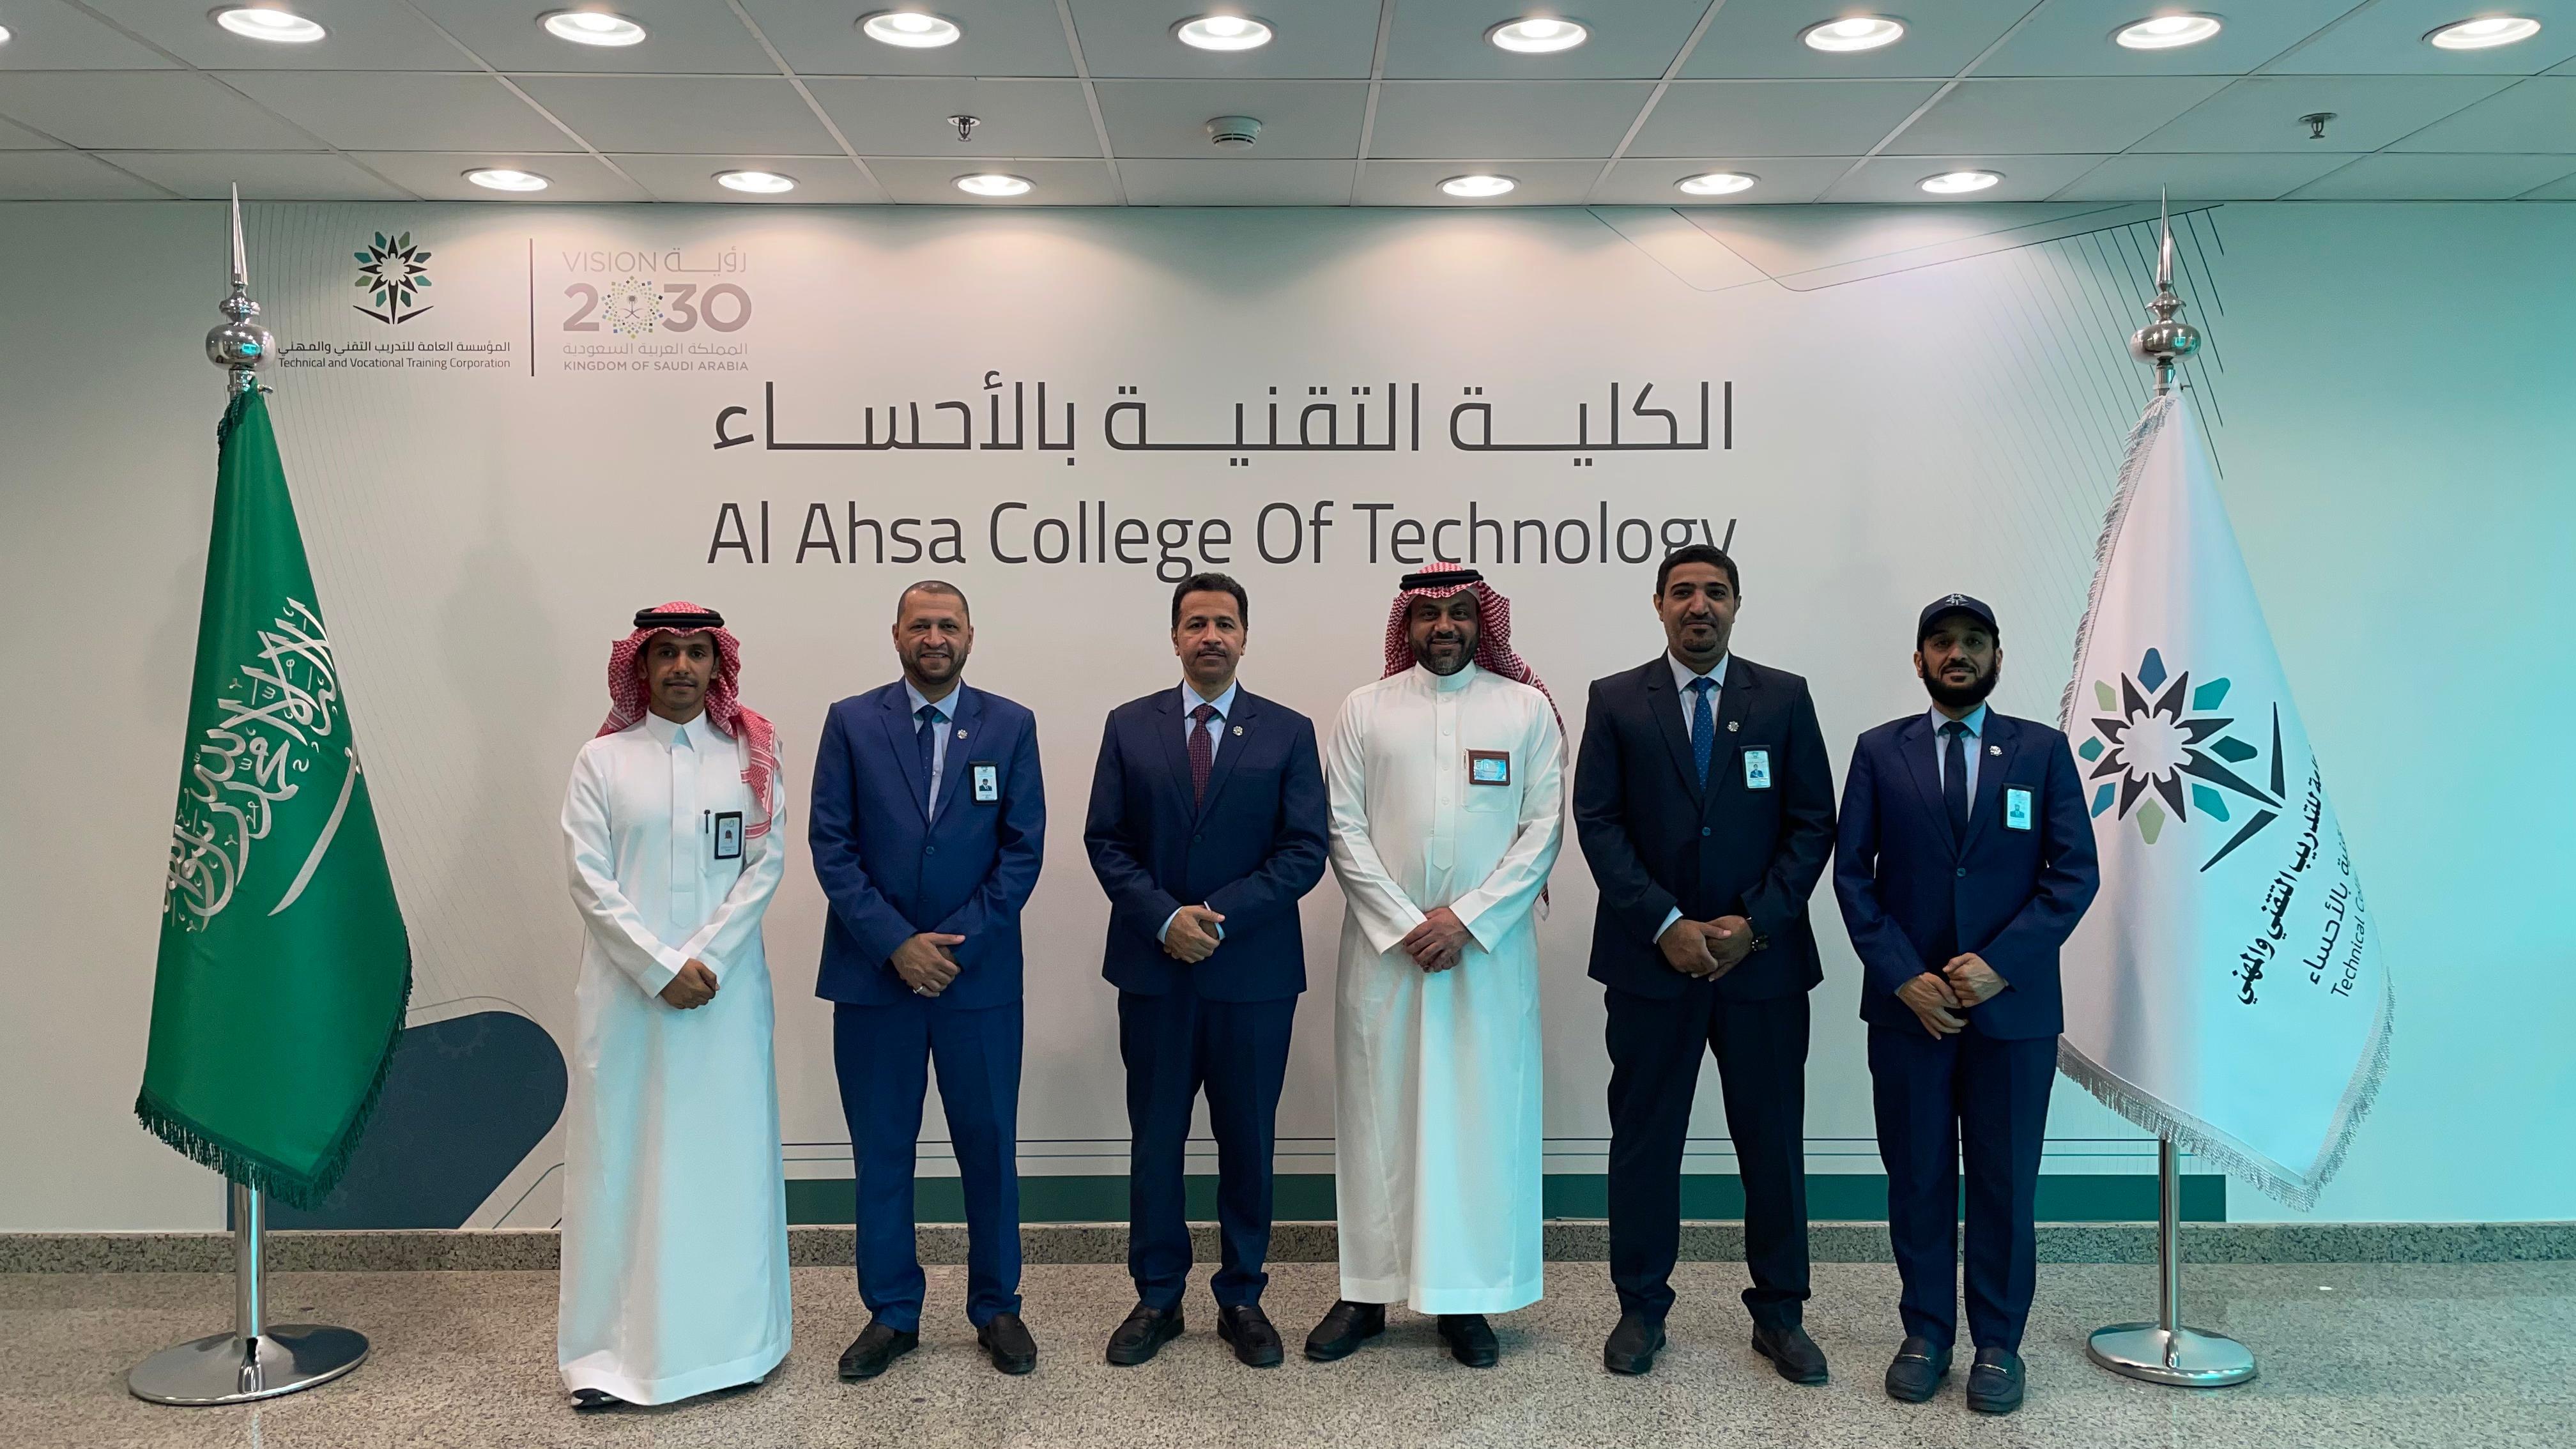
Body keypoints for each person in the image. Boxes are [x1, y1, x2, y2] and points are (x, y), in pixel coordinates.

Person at [1571, 544, 1836, 1381]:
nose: (1699, 605)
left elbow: (1812, 825)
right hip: (1650, 967)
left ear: (1736, 604)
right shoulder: (1616, 700)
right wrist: (1665, 924)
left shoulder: (1783, 698)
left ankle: (1781, 1313)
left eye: (1715, 592)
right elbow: (1598, 823)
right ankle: (1641, 1308)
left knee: (1772, 1144)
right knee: (1645, 1142)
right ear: (1658, 605)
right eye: (1682, 592)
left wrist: (1754, 925)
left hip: (1764, 968)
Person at [1832, 594, 2098, 1415]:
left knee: (2004, 1183)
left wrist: (2000, 967)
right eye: (1942, 642)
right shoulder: (1880, 751)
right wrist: (1904, 977)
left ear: (1997, 658)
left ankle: (1998, 1345)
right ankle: (1925, 1334)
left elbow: (2073, 874)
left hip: (2013, 1016)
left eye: (1974, 642)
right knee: (1916, 1178)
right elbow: (1853, 876)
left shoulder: (2042, 751)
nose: (1958, 654)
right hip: (1908, 1013)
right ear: (1919, 661)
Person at [1307, 561, 1565, 1370]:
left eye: (1459, 612)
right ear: (1407, 624)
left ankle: (1466, 1297)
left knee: (1477, 1125)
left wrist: (1466, 921)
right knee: (1379, 1122)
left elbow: (1543, 830)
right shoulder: (1365, 709)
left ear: (1483, 621)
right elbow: (1342, 829)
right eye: (1428, 615)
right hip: (1387, 958)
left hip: (1487, 959)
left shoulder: (1524, 710)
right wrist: (1407, 923)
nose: (1444, 627)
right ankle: (1366, 1292)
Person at [1083, 573, 1330, 1368]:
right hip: (1155, 974)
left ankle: (1243, 1297)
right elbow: (1106, 841)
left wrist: (1213, 915)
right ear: (1175, 637)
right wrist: (1165, 918)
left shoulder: (1288, 732)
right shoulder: (1129, 726)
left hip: (1252, 975)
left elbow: (1304, 850)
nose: (1211, 636)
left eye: (1225, 623)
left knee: (1247, 1142)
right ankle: (1158, 1297)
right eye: (1196, 623)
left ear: (1245, 637)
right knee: (1155, 1141)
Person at [810, 581, 1045, 1381]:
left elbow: (1022, 849)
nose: (934, 638)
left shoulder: (1011, 725)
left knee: (990, 1148)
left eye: (948, 625)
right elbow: (832, 845)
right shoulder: (851, 722)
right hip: (873, 981)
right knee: (882, 1151)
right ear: (896, 635)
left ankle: (997, 1306)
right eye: (921, 625)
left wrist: (952, 948)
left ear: (971, 636)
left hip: (978, 984)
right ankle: (891, 1312)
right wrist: (896, 945)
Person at [558, 603, 790, 1407]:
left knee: (724, 1167)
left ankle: (736, 1349)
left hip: (726, 999)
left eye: (697, 653)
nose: (682, 667)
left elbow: (765, 867)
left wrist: (706, 961)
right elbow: (588, 876)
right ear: (642, 666)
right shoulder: (602, 761)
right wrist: (660, 968)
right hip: (627, 1000)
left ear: (718, 665)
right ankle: (607, 1360)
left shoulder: (751, 756)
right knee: (620, 1167)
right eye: (667, 654)